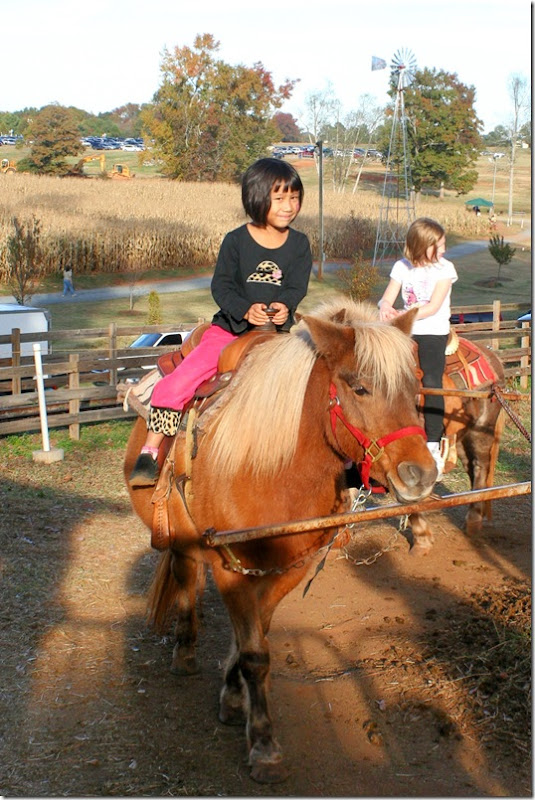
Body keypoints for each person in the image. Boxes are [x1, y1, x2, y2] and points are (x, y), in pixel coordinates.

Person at [128, 157, 313, 487]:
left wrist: (285, 305)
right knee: (178, 383)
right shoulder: (236, 241)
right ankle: (151, 450)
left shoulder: (299, 245)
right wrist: (245, 310)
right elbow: (222, 286)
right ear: (257, 197)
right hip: (229, 331)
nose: (289, 206)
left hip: (276, 336)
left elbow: (297, 286)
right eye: (280, 198)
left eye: (294, 197)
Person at [377, 217, 458, 478]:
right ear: (422, 246)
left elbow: (433, 307)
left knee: (432, 380)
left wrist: (405, 314)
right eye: (439, 245)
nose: (444, 249)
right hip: (405, 329)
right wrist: (385, 308)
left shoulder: (445, 269)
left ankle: (433, 443)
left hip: (432, 331)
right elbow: (387, 297)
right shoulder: (402, 267)